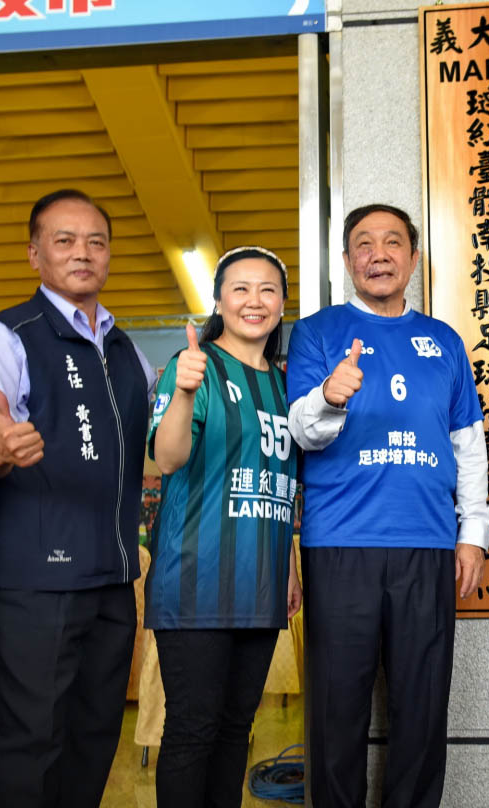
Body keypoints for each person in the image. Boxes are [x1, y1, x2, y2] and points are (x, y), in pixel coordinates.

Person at [285, 203, 489, 808]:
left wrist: (472, 532)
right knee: (336, 709)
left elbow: (468, 444)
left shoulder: (444, 340)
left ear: (413, 258)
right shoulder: (317, 333)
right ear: (347, 261)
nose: (379, 254)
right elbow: (302, 432)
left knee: (422, 707)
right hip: (339, 545)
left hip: (427, 547)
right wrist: (328, 395)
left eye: (393, 242)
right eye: (365, 245)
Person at [0, 188, 156, 808]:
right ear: (34, 253)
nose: (82, 254)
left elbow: (154, 450)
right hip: (33, 582)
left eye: (96, 242)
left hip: (112, 576)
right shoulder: (5, 335)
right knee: (30, 738)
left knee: (95, 736)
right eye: (64, 241)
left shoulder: (126, 352)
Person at [146, 246, 302, 808]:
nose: (253, 301)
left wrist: (287, 565)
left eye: (267, 289)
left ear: (283, 304)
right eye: (240, 289)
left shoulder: (284, 386)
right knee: (193, 731)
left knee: (238, 732)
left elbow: (281, 481)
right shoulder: (197, 366)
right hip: (196, 581)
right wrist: (183, 392)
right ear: (219, 301)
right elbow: (167, 457)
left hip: (259, 584)